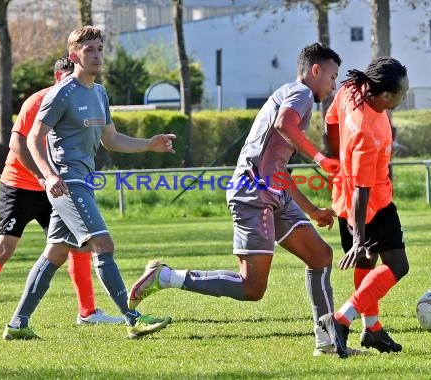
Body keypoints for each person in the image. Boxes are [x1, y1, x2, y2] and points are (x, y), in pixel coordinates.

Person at [128, 42, 348, 356]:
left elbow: (278, 166)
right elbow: (283, 124)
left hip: (273, 191)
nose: (333, 85)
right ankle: (165, 277)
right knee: (252, 288)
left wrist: (311, 210)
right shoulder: (300, 94)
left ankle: (327, 344)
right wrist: (319, 158)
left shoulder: (291, 94)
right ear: (315, 71)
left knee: (320, 256)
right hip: (253, 192)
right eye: (332, 77)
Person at [2, 25, 176, 340]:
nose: (96, 55)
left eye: (99, 49)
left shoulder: (100, 93)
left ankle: (17, 324)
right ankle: (132, 319)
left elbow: (111, 139)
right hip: (68, 182)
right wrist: (49, 175)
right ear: (74, 56)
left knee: (55, 253)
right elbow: (33, 139)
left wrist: (149, 144)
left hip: (82, 181)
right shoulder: (62, 93)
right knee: (103, 245)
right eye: (88, 50)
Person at [0, 56, 122, 334]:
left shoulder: (84, 97)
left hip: (55, 186)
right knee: (4, 250)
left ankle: (88, 312)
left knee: (77, 243)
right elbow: (18, 143)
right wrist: (44, 176)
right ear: (59, 78)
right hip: (20, 186)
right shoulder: (39, 101)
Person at [318, 57, 410, 358]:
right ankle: (341, 319)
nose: (404, 97)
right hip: (371, 204)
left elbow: (330, 120)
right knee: (397, 265)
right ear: (385, 95)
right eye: (402, 93)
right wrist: (358, 239)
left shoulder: (350, 89)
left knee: (367, 264)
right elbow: (362, 190)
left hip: (348, 199)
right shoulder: (365, 133)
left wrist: (335, 157)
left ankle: (372, 330)